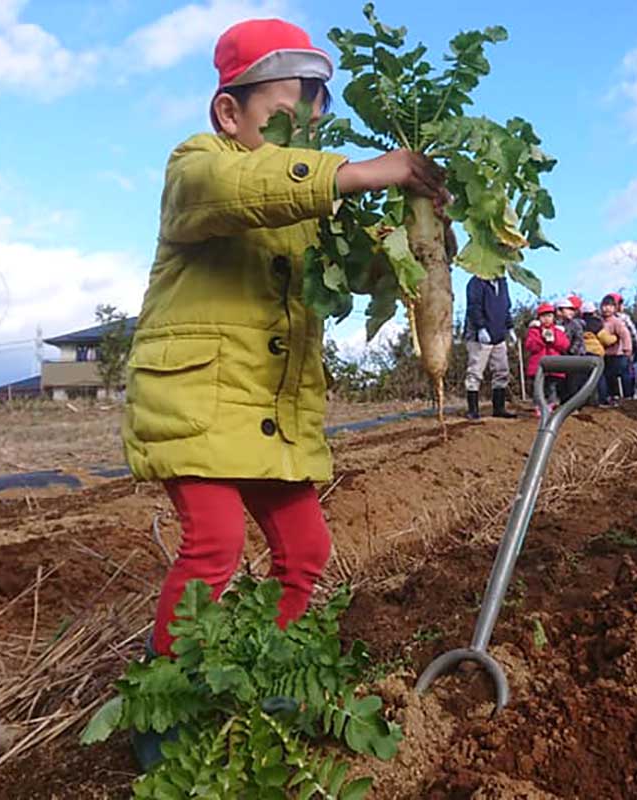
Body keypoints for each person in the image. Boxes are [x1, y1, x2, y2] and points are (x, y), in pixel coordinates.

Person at [123, 17, 448, 665]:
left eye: (313, 122)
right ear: (228, 112)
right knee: (214, 545)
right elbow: (245, 188)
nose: (303, 135)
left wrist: (417, 245)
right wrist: (362, 174)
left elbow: (350, 270)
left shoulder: (310, 210)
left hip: (268, 415)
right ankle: (167, 697)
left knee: (305, 551)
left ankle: (260, 666)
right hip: (196, 402)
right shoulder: (196, 169)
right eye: (283, 116)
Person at [464, 274, 516, 420]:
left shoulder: (502, 283)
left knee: (501, 371)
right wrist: (480, 327)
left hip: (498, 334)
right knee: (475, 371)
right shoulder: (476, 282)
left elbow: (506, 307)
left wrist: (510, 327)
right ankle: (472, 410)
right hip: (479, 336)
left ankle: (499, 408)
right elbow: (474, 307)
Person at [525, 303, 570, 411]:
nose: (546, 319)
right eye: (543, 316)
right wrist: (542, 339)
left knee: (551, 387)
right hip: (538, 366)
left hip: (554, 366)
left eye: (549, 316)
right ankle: (539, 407)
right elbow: (530, 346)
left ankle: (551, 405)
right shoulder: (534, 331)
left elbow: (565, 345)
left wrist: (554, 340)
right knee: (538, 388)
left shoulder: (559, 331)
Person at [598, 295, 632, 406]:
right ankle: (610, 397)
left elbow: (625, 335)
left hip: (618, 354)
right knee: (608, 377)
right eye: (604, 306)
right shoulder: (599, 322)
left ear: (614, 308)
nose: (606, 309)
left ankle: (626, 396)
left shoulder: (617, 321)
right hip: (605, 355)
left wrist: (627, 349)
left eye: (609, 306)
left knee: (620, 375)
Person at [608, 292, 637, 398]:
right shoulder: (624, 318)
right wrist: (634, 346)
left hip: (615, 351)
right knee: (624, 374)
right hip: (622, 351)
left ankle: (615, 395)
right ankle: (627, 395)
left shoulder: (605, 318)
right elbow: (633, 334)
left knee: (613, 375)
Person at [556, 297, 587, 401]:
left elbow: (579, 339)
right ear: (559, 310)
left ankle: (575, 404)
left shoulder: (575, 324)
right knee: (562, 382)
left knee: (574, 382)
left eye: (572, 309)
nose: (571, 312)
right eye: (568, 309)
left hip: (576, 357)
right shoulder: (555, 325)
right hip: (561, 358)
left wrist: (571, 351)